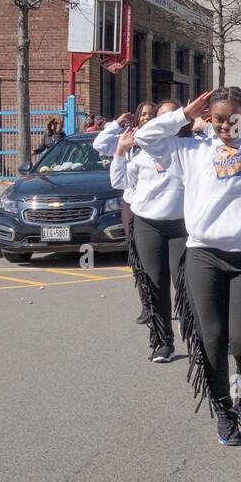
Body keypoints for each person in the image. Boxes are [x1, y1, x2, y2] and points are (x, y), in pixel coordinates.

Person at [136, 87, 241, 446]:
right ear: (208, 119)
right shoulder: (191, 150)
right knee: (212, 340)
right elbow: (145, 136)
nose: (225, 126)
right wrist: (184, 114)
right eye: (217, 119)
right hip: (202, 256)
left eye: (233, 118)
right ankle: (224, 411)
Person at [109, 118, 186, 362]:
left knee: (186, 283)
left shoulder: (187, 150)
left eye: (170, 116)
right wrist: (120, 151)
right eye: (159, 117)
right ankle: (164, 342)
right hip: (147, 224)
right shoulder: (141, 157)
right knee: (155, 284)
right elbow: (120, 182)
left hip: (182, 226)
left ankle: (199, 336)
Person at [94, 102, 162, 324]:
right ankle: (147, 305)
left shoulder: (163, 140)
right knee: (138, 257)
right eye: (143, 114)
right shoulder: (128, 137)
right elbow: (99, 143)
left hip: (159, 206)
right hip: (131, 204)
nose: (146, 118)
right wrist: (117, 124)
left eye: (151, 114)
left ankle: (171, 300)